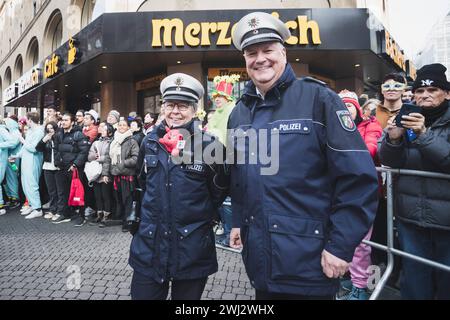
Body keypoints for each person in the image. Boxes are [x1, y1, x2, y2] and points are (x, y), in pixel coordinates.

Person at [228, 12, 378, 300]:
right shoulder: (239, 113)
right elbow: (239, 176)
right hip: (260, 261)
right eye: (251, 53)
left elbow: (358, 179)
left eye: (268, 50)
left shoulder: (318, 99)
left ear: (283, 52)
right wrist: (237, 220)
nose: (260, 59)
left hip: (309, 262)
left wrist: (340, 246)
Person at [129, 73, 228, 300]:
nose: (175, 111)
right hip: (149, 246)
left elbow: (219, 192)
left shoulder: (211, 146)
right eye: (170, 105)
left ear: (194, 110)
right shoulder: (149, 141)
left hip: (191, 248)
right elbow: (141, 183)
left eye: (182, 106)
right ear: (162, 108)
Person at [379, 63, 450, 300]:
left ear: (447, 93)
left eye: (433, 90)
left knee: (446, 280)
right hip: (410, 217)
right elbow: (389, 161)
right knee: (415, 278)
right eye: (420, 91)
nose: (425, 96)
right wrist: (394, 140)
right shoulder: (405, 118)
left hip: (446, 220)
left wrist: (424, 135)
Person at [337, 90, 383, 300]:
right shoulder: (332, 127)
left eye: (349, 106)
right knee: (340, 238)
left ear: (356, 109)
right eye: (342, 105)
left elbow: (369, 150)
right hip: (338, 191)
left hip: (364, 193)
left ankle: (361, 288)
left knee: (361, 244)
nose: (346, 110)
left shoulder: (370, 126)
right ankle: (351, 279)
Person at [206, 74, 240, 248]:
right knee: (219, 196)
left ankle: (229, 234)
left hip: (227, 159)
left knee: (226, 199)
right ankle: (225, 231)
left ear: (228, 98)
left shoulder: (232, 111)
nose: (217, 100)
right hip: (215, 159)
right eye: (215, 97)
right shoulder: (218, 113)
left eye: (220, 97)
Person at [52, 113, 90, 225]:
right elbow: (56, 149)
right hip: (61, 168)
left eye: (66, 120)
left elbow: (84, 151)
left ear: (72, 122)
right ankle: (65, 214)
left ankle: (81, 216)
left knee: (79, 192)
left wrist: (75, 165)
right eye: (62, 120)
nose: (63, 122)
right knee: (63, 192)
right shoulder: (59, 134)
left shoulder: (79, 134)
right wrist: (57, 162)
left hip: (74, 169)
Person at [12, 112, 45, 219]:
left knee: (32, 184)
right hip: (26, 160)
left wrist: (22, 140)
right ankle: (32, 205)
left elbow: (33, 148)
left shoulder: (39, 131)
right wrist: (16, 156)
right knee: (25, 184)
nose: (25, 122)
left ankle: (37, 209)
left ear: (30, 120)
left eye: (26, 119)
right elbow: (25, 148)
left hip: (34, 160)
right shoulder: (31, 130)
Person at [109, 119, 139, 232]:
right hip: (115, 174)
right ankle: (121, 219)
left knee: (127, 199)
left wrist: (123, 163)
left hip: (127, 175)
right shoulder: (114, 140)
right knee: (118, 199)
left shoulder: (132, 141)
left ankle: (128, 222)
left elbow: (136, 158)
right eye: (120, 125)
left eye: (124, 125)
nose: (121, 127)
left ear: (128, 127)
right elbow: (109, 157)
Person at [87, 122, 114, 227]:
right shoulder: (96, 142)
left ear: (109, 131)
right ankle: (99, 214)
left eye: (104, 128)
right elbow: (89, 156)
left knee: (106, 195)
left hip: (106, 172)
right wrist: (95, 156)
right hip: (96, 173)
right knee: (97, 196)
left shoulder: (112, 142)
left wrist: (100, 158)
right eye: (101, 127)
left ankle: (106, 216)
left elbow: (110, 156)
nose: (101, 129)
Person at [36, 121, 60, 220]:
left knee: (60, 191)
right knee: (51, 191)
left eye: (52, 128)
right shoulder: (46, 139)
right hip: (47, 167)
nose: (50, 130)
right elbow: (38, 148)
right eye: (48, 128)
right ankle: (52, 209)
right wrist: (44, 140)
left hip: (58, 167)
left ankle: (59, 211)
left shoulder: (59, 138)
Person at [0, 118, 22, 211]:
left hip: (13, 159)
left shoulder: (15, 132)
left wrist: (1, 145)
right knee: (8, 179)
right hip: (9, 158)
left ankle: (14, 198)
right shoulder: (11, 131)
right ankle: (11, 197)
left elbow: (12, 144)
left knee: (12, 178)